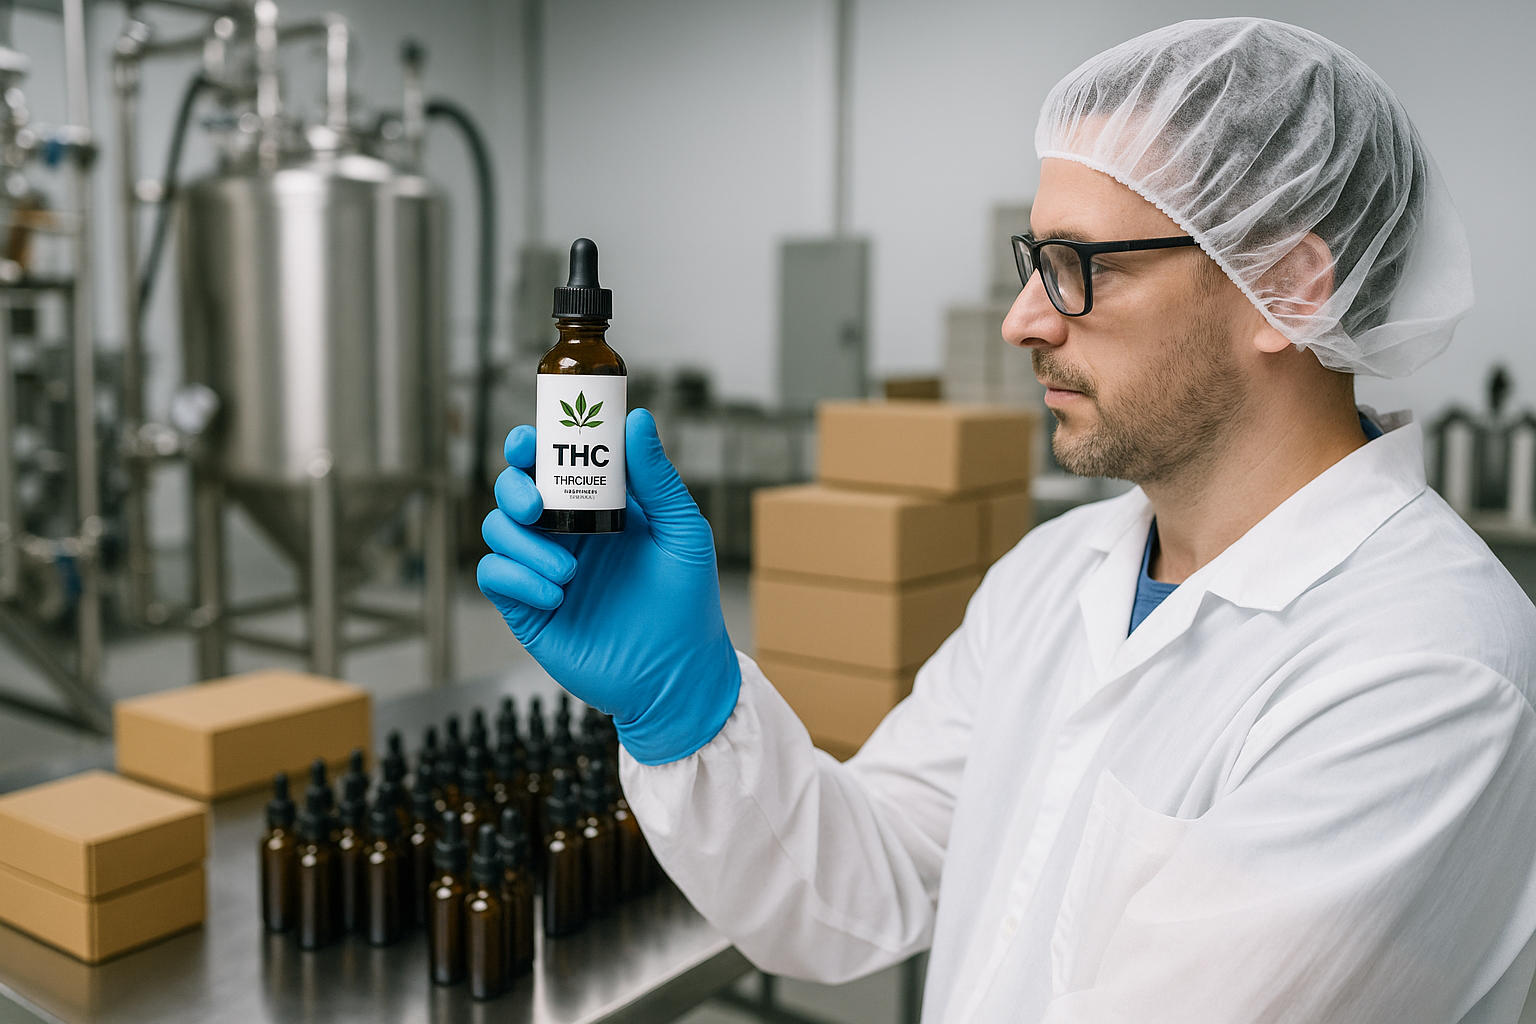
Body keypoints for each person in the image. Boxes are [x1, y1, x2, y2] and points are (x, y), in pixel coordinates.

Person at [478, 18, 1536, 1024]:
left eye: (1082, 267)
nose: (1022, 318)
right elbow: (867, 883)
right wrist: (691, 703)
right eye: (1033, 263)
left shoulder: (1427, 670)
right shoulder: (1056, 572)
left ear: (1287, 287)